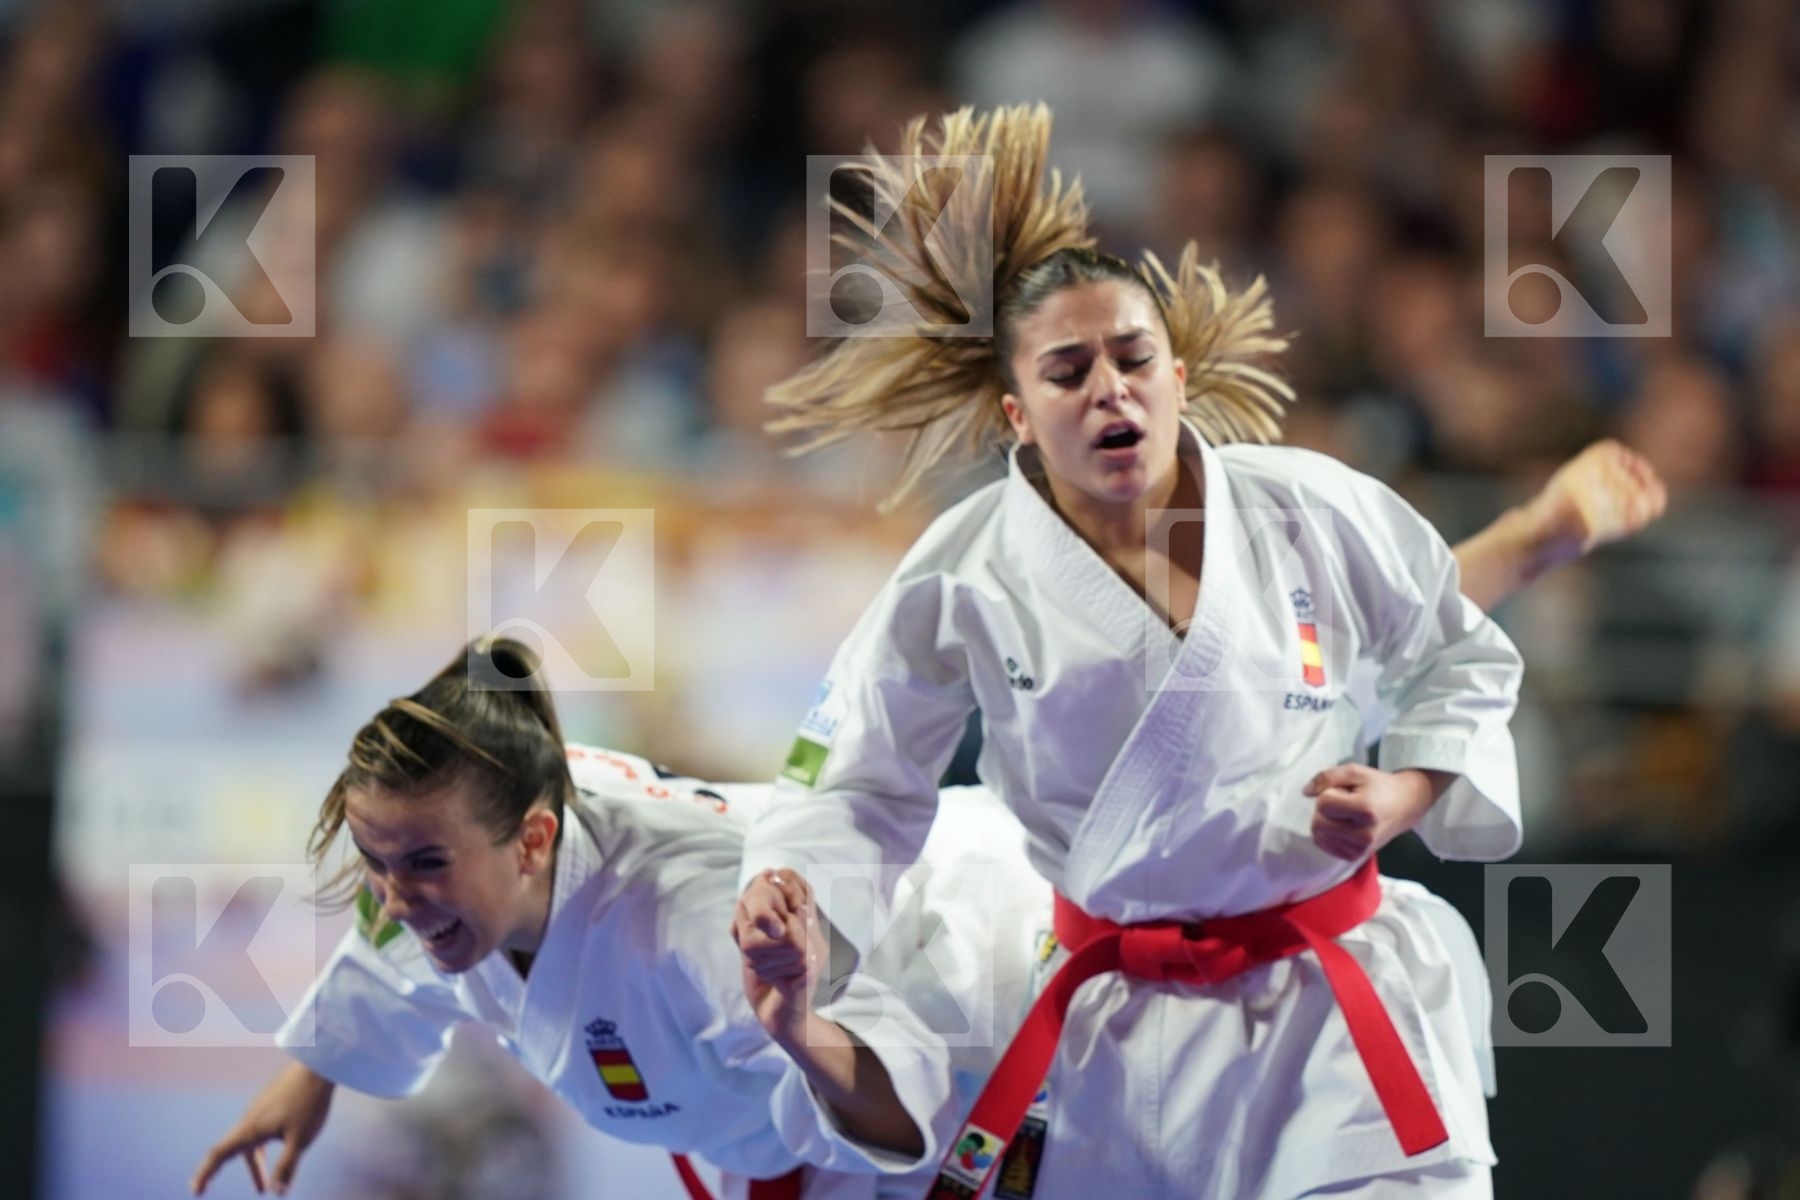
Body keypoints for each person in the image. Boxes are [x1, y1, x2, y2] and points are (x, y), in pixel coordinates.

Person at [730, 103, 1550, 1200]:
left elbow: (1462, 657)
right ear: (1019, 414)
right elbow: (848, 778)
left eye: (1133, 357)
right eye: (1070, 372)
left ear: (1175, 374)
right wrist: (789, 887)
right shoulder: (963, 570)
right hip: (1120, 1031)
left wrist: (1403, 793)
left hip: (1329, 1004)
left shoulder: (1311, 506)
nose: (1110, 387)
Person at [189, 637, 1041, 1200]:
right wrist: (311, 1073)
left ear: (532, 841)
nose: (391, 897)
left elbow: (907, 1111)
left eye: (419, 866)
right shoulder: (471, 829)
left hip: (987, 990)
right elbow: (385, 936)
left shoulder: (692, 929)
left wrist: (796, 1029)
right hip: (793, 1131)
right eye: (376, 862)